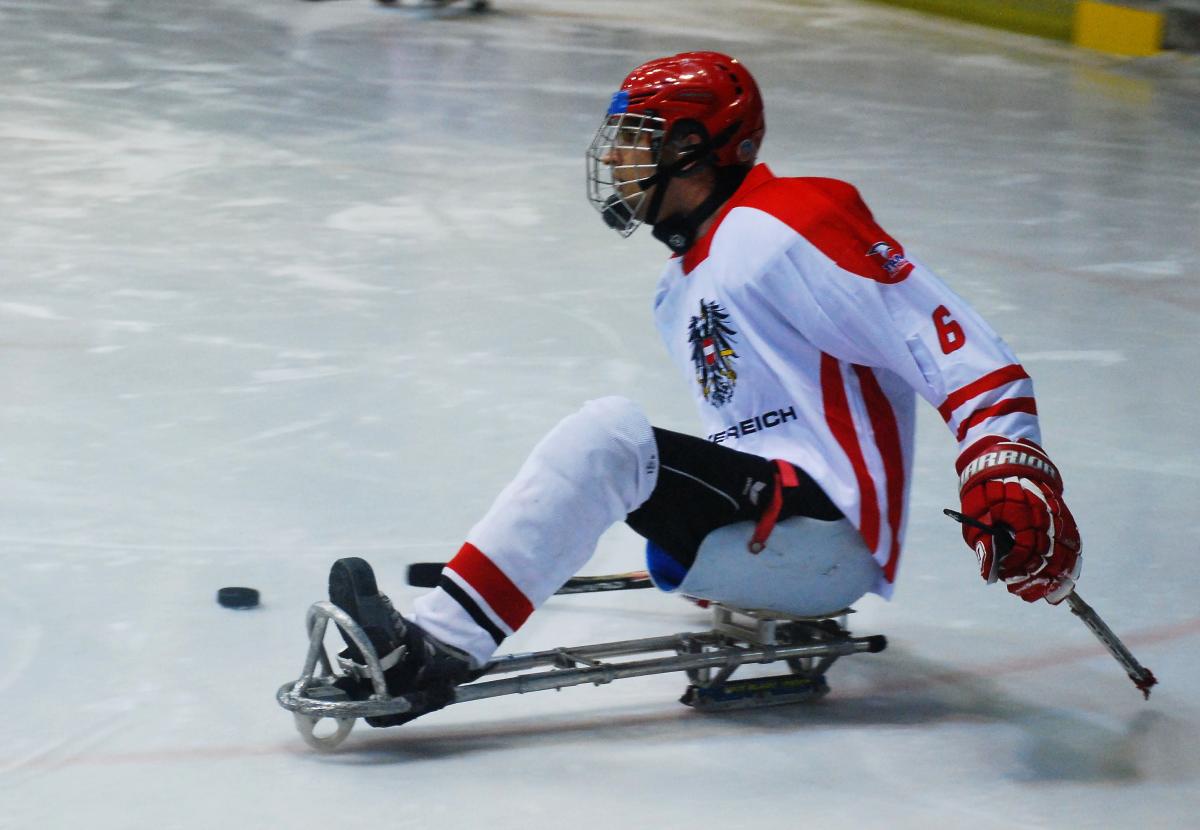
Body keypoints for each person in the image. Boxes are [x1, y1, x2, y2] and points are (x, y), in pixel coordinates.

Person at [326, 51, 1082, 726]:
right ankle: (475, 597)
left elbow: (950, 340)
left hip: (827, 528)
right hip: (778, 522)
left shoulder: (787, 220)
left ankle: (434, 649)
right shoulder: (679, 283)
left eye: (638, 139)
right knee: (622, 450)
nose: (619, 158)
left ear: (693, 149)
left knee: (610, 439)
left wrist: (1005, 459)